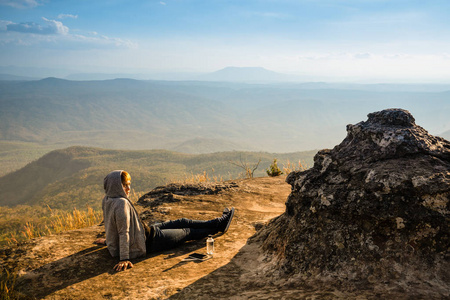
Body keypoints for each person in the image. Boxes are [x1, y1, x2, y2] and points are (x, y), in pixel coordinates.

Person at [95, 170, 235, 272]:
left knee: (182, 221)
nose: (128, 188)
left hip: (147, 231)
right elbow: (122, 231)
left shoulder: (107, 200)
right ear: (116, 186)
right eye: (125, 185)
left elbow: (110, 225)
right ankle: (219, 227)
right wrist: (124, 258)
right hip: (149, 241)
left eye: (129, 184)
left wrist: (109, 241)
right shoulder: (121, 203)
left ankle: (218, 222)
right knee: (186, 232)